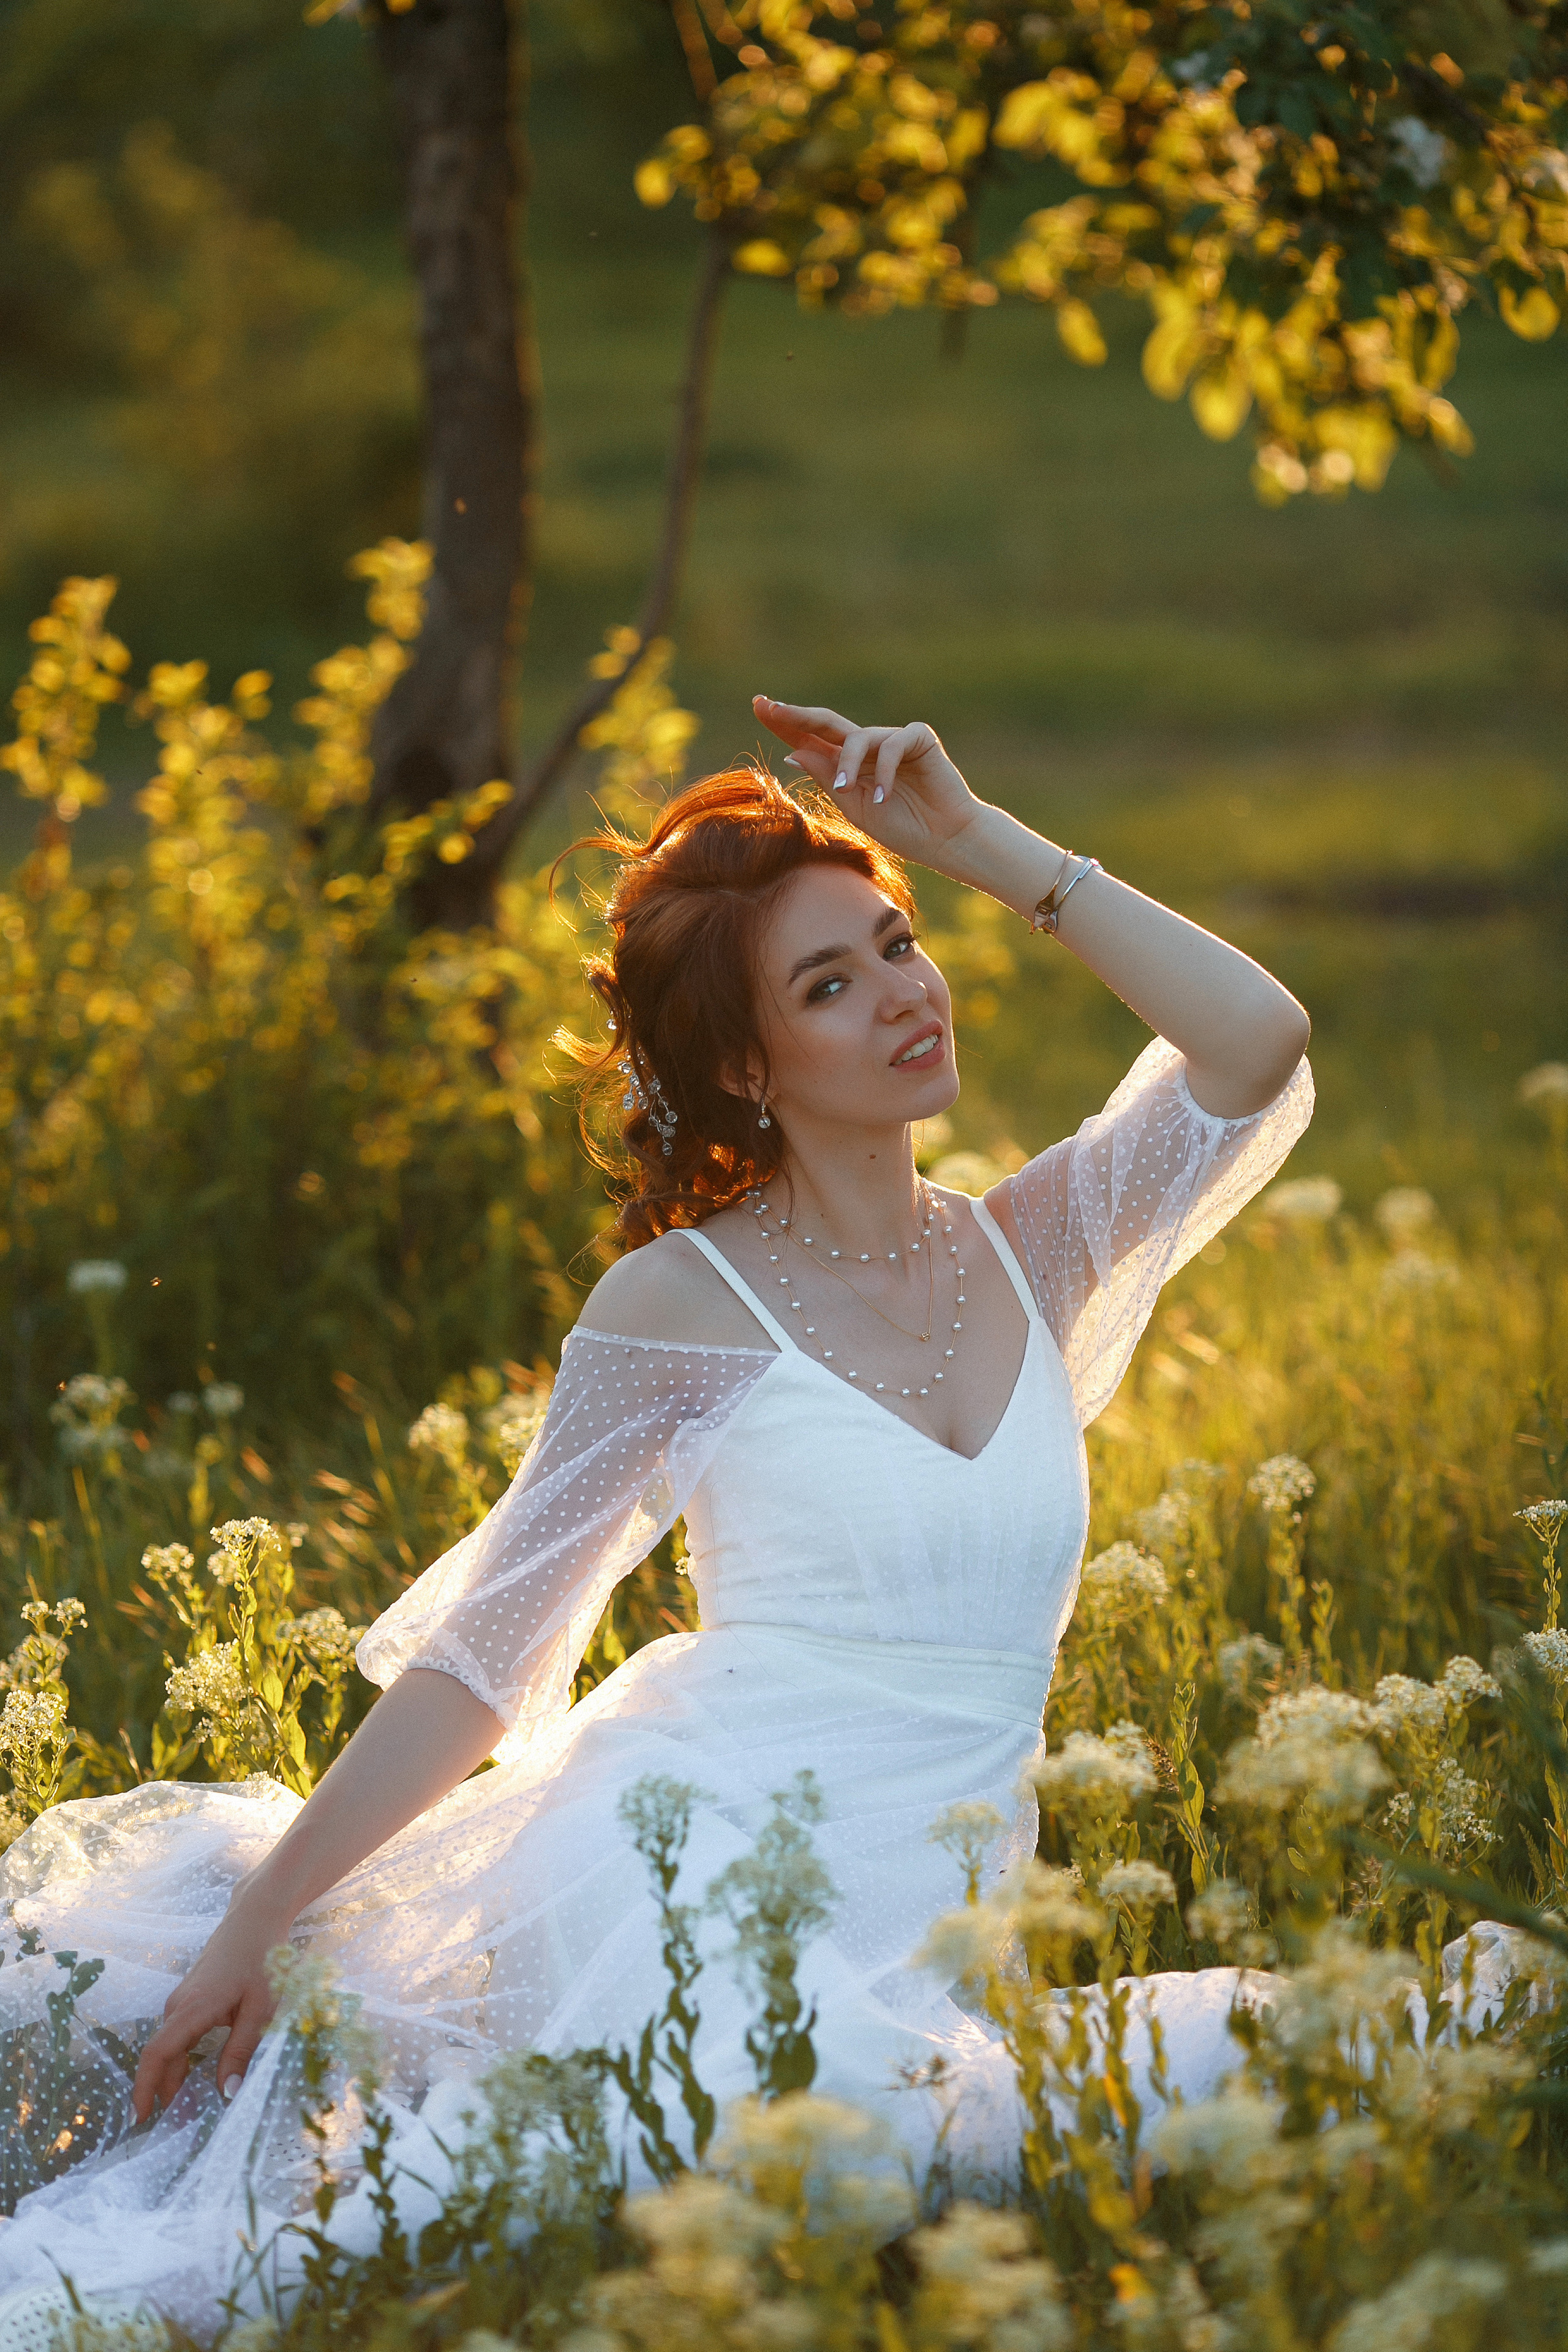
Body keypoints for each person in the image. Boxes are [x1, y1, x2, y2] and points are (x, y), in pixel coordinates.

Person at [0, 703, 1311, 2329]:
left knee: (1273, 2072)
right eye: (830, 984)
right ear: (749, 1068)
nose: (903, 993)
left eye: (898, 944)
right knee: (451, 2224)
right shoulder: (677, 1305)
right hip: (693, 1882)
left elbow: (1255, 1041)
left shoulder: (1032, 1251)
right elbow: (489, 1655)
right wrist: (268, 1920)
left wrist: (979, 844)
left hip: (936, 1931)